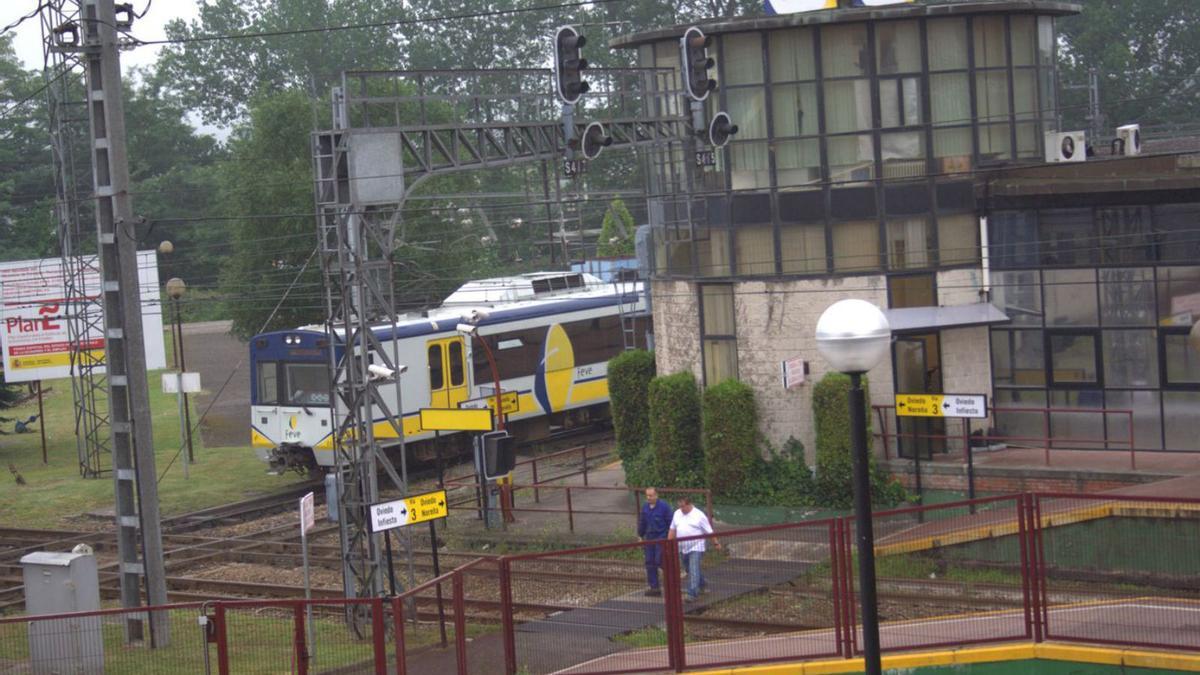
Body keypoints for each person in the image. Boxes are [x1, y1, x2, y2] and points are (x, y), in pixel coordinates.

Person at [669, 496, 720, 602]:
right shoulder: (677, 513)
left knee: (693, 568)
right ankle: (702, 583)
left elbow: (709, 531)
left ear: (689, 504)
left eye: (683, 506)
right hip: (682, 547)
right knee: (689, 569)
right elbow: (672, 529)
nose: (681, 509)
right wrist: (668, 543)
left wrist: (715, 543)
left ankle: (692, 594)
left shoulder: (699, 515)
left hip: (697, 546)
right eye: (679, 506)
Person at [637, 487, 672, 596]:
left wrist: (669, 537)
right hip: (649, 538)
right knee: (649, 562)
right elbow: (642, 522)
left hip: (661, 537)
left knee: (660, 560)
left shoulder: (664, 507)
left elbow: (671, 523)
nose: (649, 498)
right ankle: (654, 587)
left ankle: (671, 583)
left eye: (651, 495)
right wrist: (640, 535)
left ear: (656, 495)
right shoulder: (645, 508)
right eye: (647, 495)